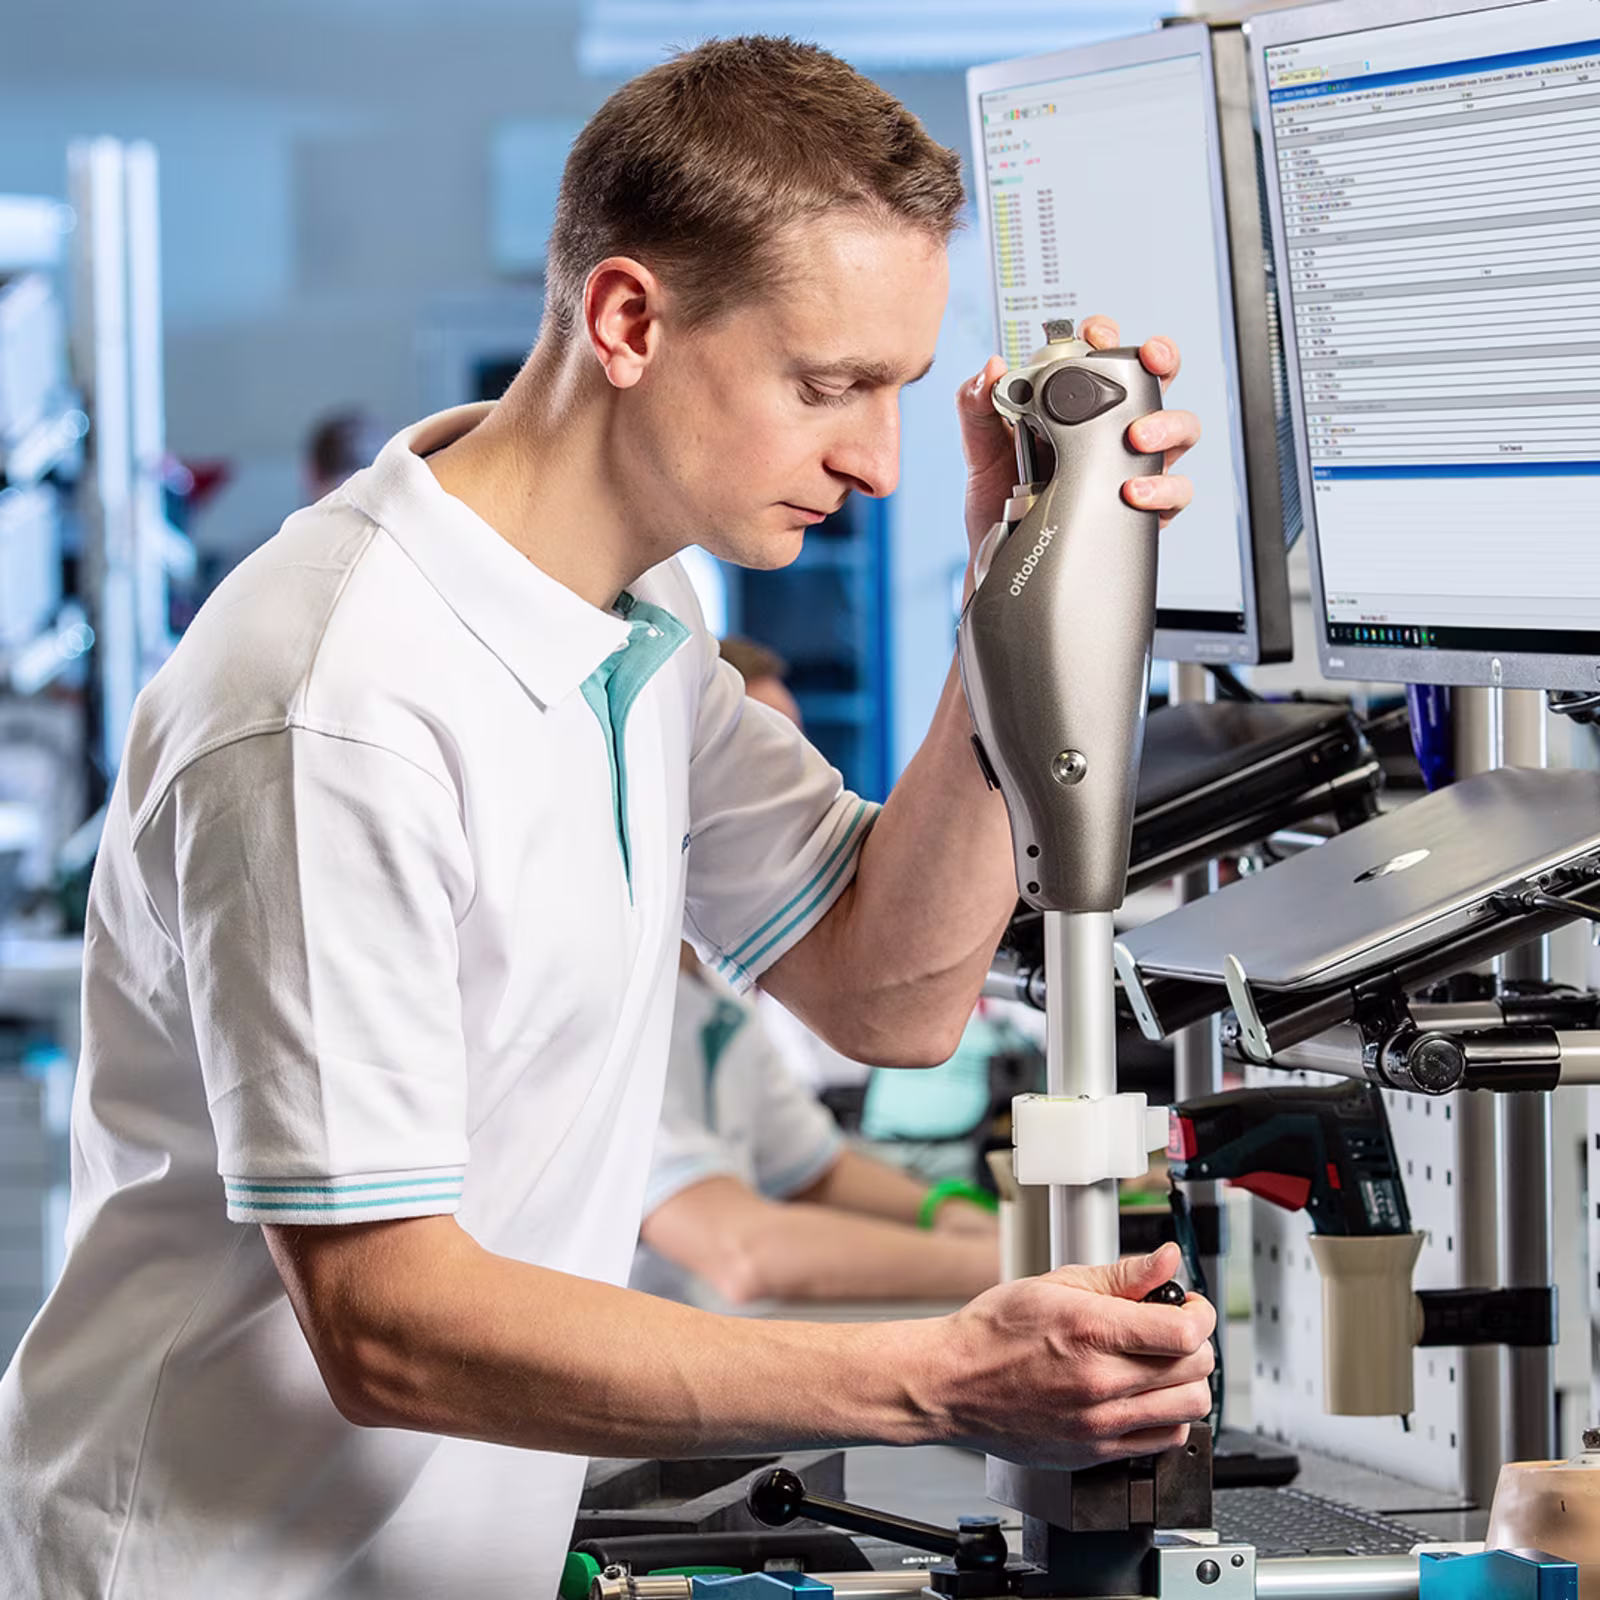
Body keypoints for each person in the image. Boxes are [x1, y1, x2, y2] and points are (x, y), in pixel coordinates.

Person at [0, 37, 1208, 1600]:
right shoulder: (337, 700)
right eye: (827, 384)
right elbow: (389, 1322)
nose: (879, 462)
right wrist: (935, 1375)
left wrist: (1017, 599)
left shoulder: (642, 615)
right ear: (628, 319)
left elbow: (886, 990)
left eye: (899, 390)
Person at [635, 636, 998, 1307]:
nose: (789, 788)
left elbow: (812, 1167)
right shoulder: (609, 995)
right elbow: (743, 1252)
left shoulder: (711, 986)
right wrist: (1015, 1263)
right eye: (758, 757)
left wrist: (946, 1209)